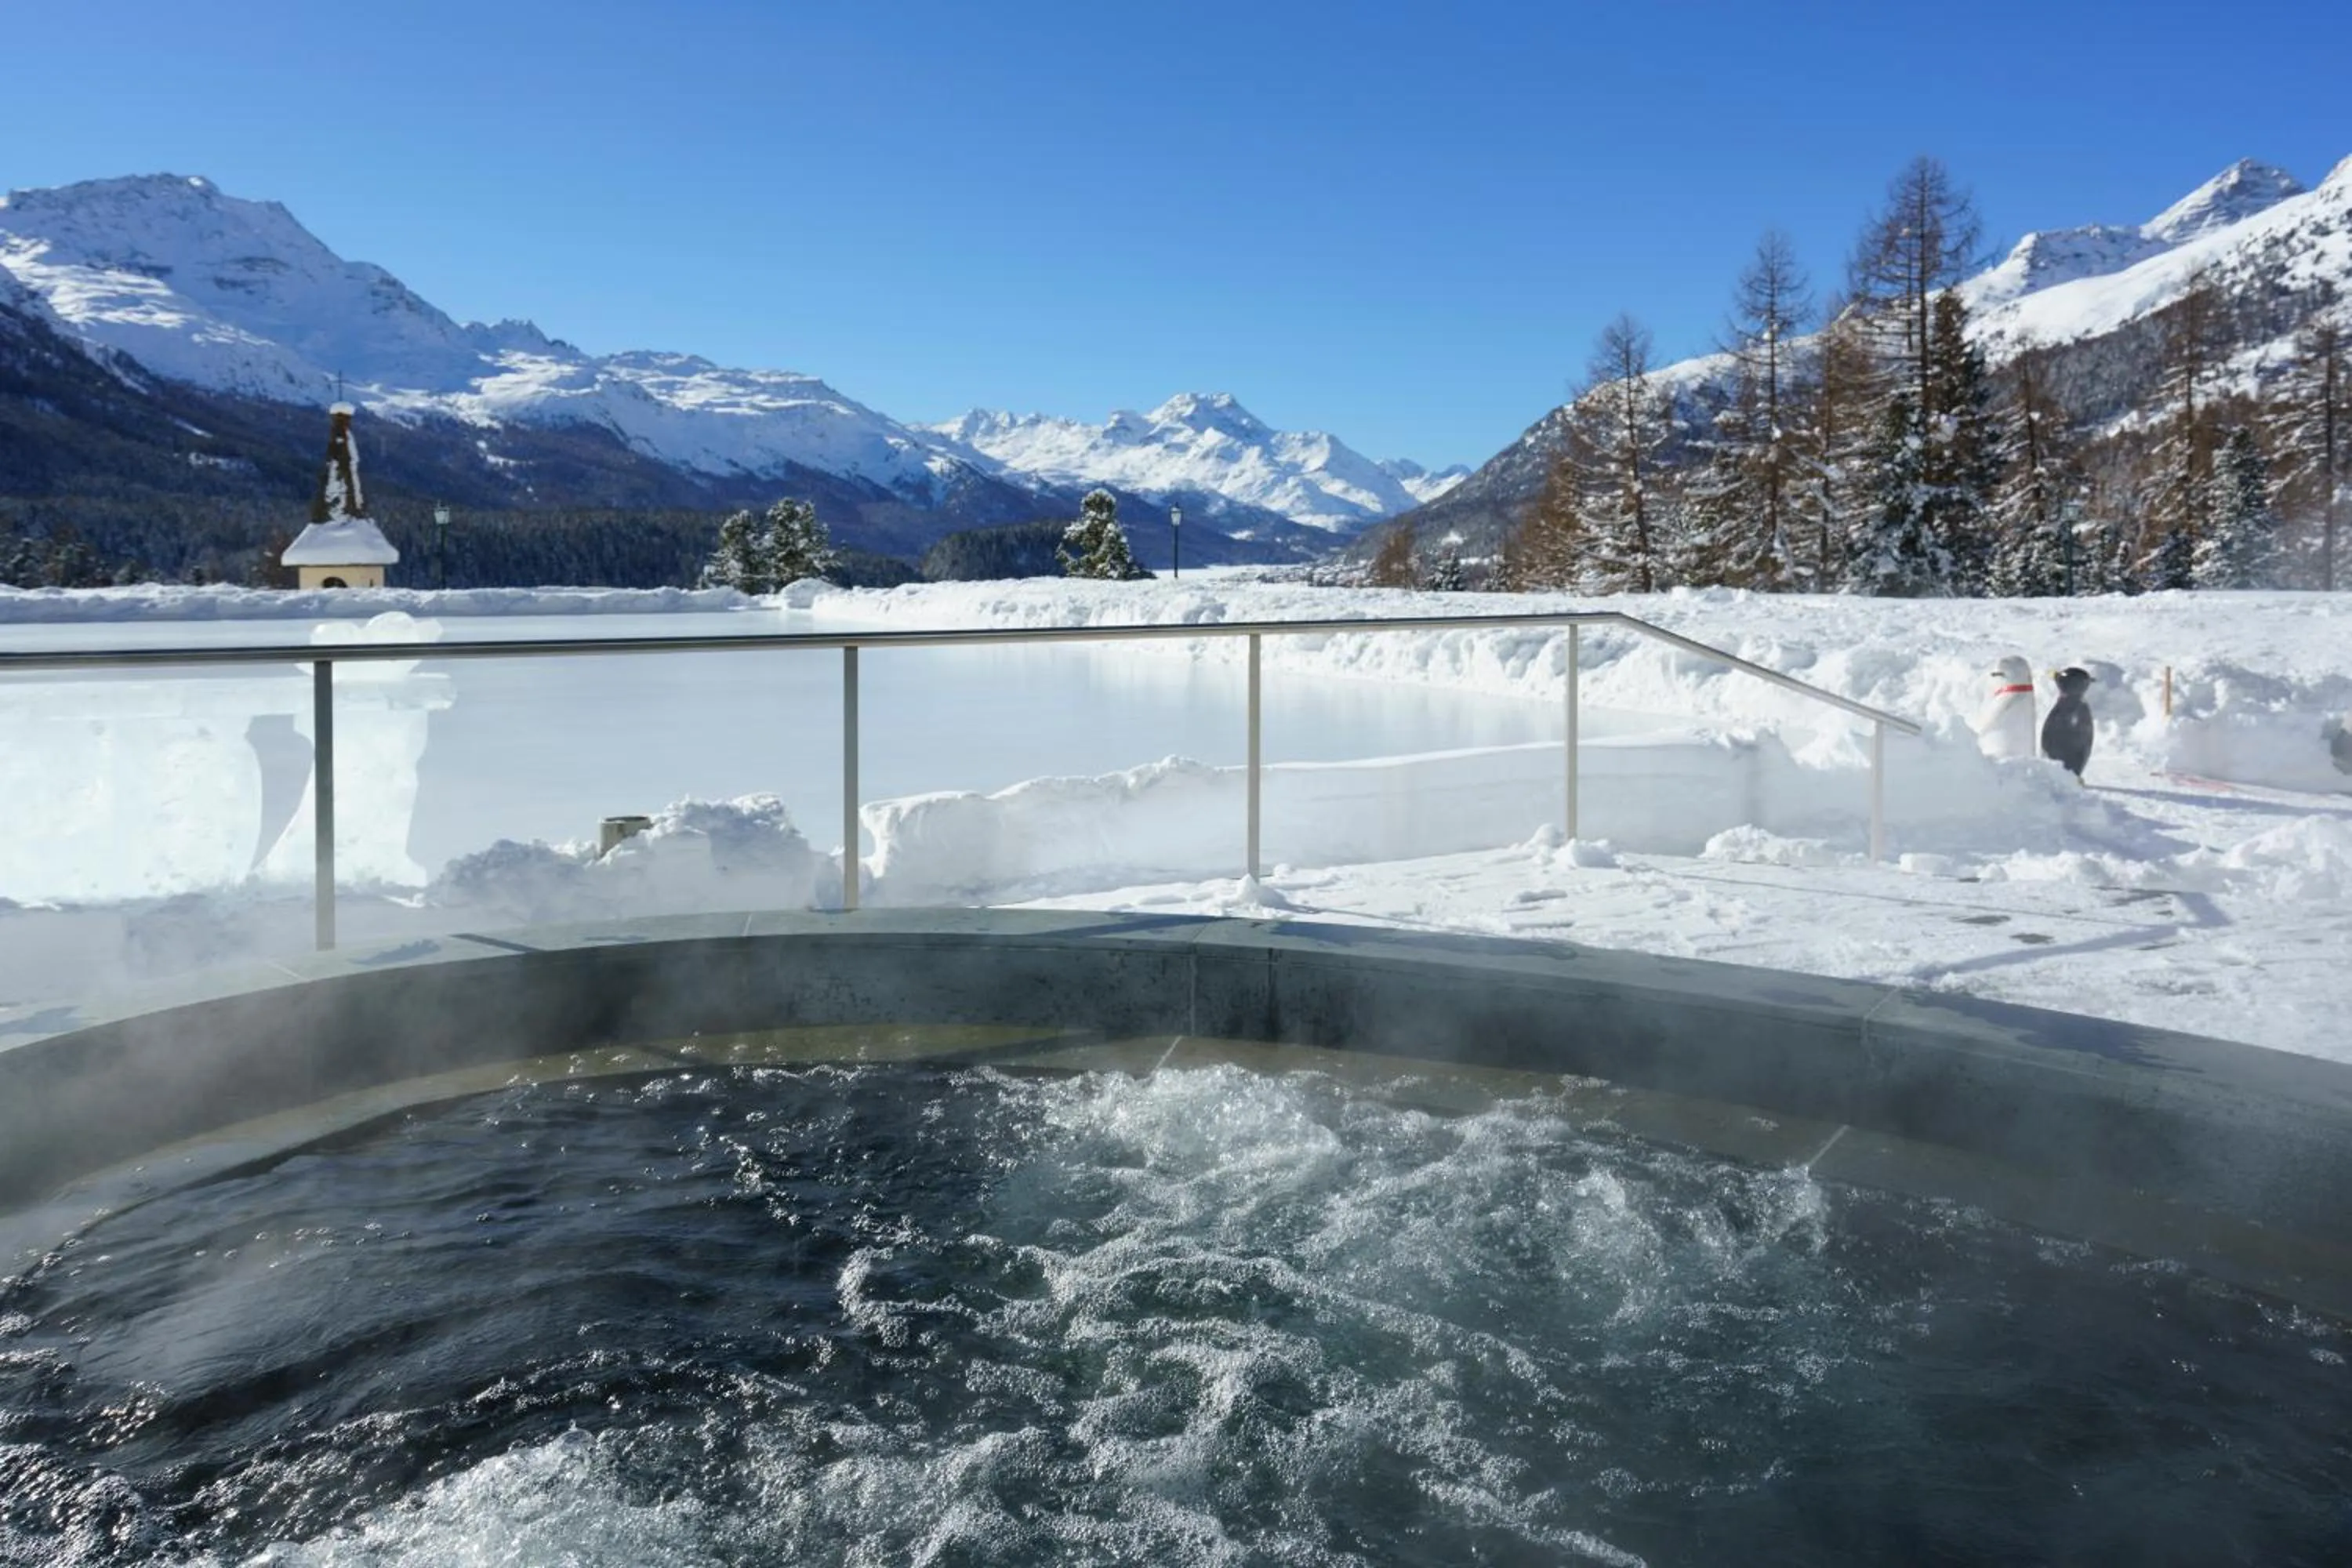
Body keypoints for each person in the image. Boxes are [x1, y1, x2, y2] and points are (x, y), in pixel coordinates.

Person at [2040, 667, 2096, 782]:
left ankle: (2069, 776)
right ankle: (2068, 775)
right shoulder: (2079, 707)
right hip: (2058, 766)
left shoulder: (2074, 709)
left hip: (2064, 767)